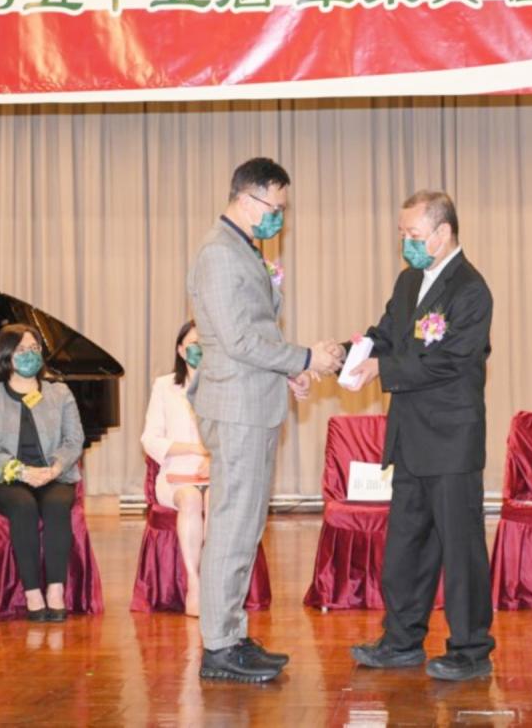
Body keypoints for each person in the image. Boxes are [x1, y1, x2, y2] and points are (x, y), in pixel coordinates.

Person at [187, 156, 343, 683]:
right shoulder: (218, 253)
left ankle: (230, 633)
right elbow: (237, 340)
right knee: (232, 526)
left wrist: (288, 373)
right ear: (245, 198)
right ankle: (218, 648)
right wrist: (305, 358)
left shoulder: (244, 249)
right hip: (236, 409)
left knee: (246, 526)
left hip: (254, 401)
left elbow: (258, 332)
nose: (279, 216)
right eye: (274, 206)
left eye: (283, 208)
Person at [346, 190, 496, 682]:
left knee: (461, 549)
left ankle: (470, 650)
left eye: (413, 234)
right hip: (409, 437)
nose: (405, 243)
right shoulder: (409, 280)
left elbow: (451, 361)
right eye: (402, 234)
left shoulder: (470, 289)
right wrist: (351, 353)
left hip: (451, 440)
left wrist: (383, 368)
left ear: (442, 233)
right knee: (406, 545)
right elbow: (386, 334)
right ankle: (401, 640)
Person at [0, 324, 85, 622]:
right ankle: (33, 592)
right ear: (6, 354)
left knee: (57, 504)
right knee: (23, 505)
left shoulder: (60, 393)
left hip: (52, 474)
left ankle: (56, 589)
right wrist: (20, 471)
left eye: (34, 348)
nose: (30, 354)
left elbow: (74, 440)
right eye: (21, 349)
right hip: (5, 478)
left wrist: (55, 467)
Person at [141, 320, 211, 617]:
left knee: (216, 500)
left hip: (216, 472)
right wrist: (196, 449)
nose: (200, 348)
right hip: (175, 475)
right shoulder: (165, 386)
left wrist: (214, 458)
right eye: (194, 343)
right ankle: (194, 584)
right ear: (181, 350)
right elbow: (150, 439)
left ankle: (212, 580)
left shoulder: (225, 385)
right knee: (191, 499)